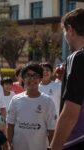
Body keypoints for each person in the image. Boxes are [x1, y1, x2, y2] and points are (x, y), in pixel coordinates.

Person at [50, 8, 84, 150]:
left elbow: (70, 115)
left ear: (70, 30)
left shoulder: (77, 58)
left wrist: (53, 147)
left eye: (64, 31)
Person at [7, 63, 57, 150]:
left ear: (40, 79)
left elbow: (51, 129)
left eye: (35, 76)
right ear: (23, 78)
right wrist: (9, 144)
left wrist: (52, 146)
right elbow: (10, 124)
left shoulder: (47, 101)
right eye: (28, 75)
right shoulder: (15, 99)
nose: (32, 79)